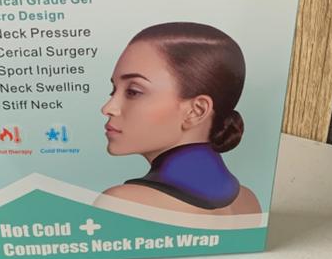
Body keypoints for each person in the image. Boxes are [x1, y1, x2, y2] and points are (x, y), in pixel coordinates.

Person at [97, 22, 261, 215]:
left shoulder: (122, 204)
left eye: (133, 92)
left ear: (196, 111)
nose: (108, 108)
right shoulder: (248, 200)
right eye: (114, 90)